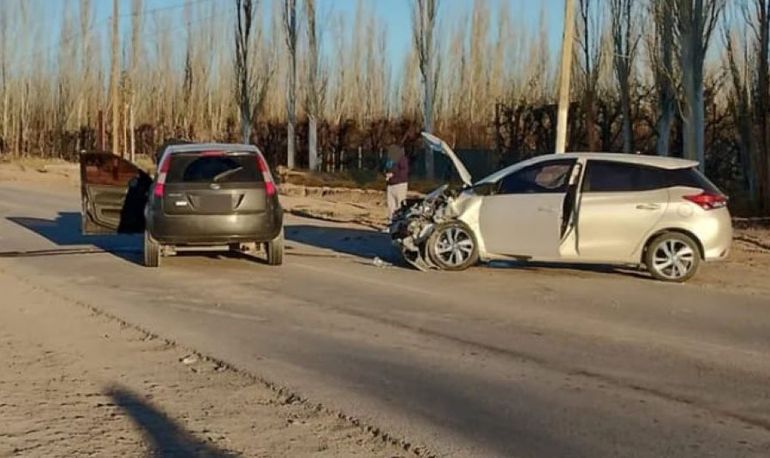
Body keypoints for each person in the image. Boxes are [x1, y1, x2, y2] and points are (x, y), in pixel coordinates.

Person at [385, 145, 409, 222]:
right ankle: (390, 223)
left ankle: (399, 223)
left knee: (399, 205)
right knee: (390, 206)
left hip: (400, 184)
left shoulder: (402, 159)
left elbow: (404, 172)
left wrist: (394, 175)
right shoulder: (390, 160)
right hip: (390, 184)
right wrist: (386, 174)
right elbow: (385, 169)